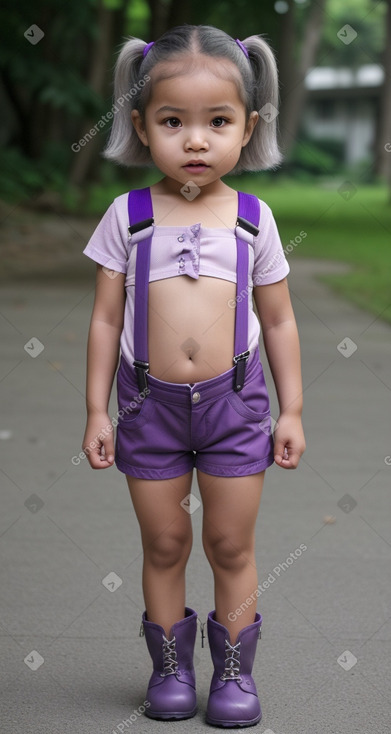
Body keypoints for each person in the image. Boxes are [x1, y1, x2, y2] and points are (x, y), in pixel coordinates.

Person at [82, 23, 305, 728]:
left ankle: (233, 676)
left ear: (249, 127)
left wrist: (291, 409)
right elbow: (105, 322)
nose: (196, 140)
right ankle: (170, 670)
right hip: (147, 406)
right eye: (173, 121)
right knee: (166, 542)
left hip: (233, 405)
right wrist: (95, 411)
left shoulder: (251, 219)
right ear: (141, 126)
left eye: (218, 122)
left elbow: (277, 323)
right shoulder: (129, 215)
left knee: (230, 544)